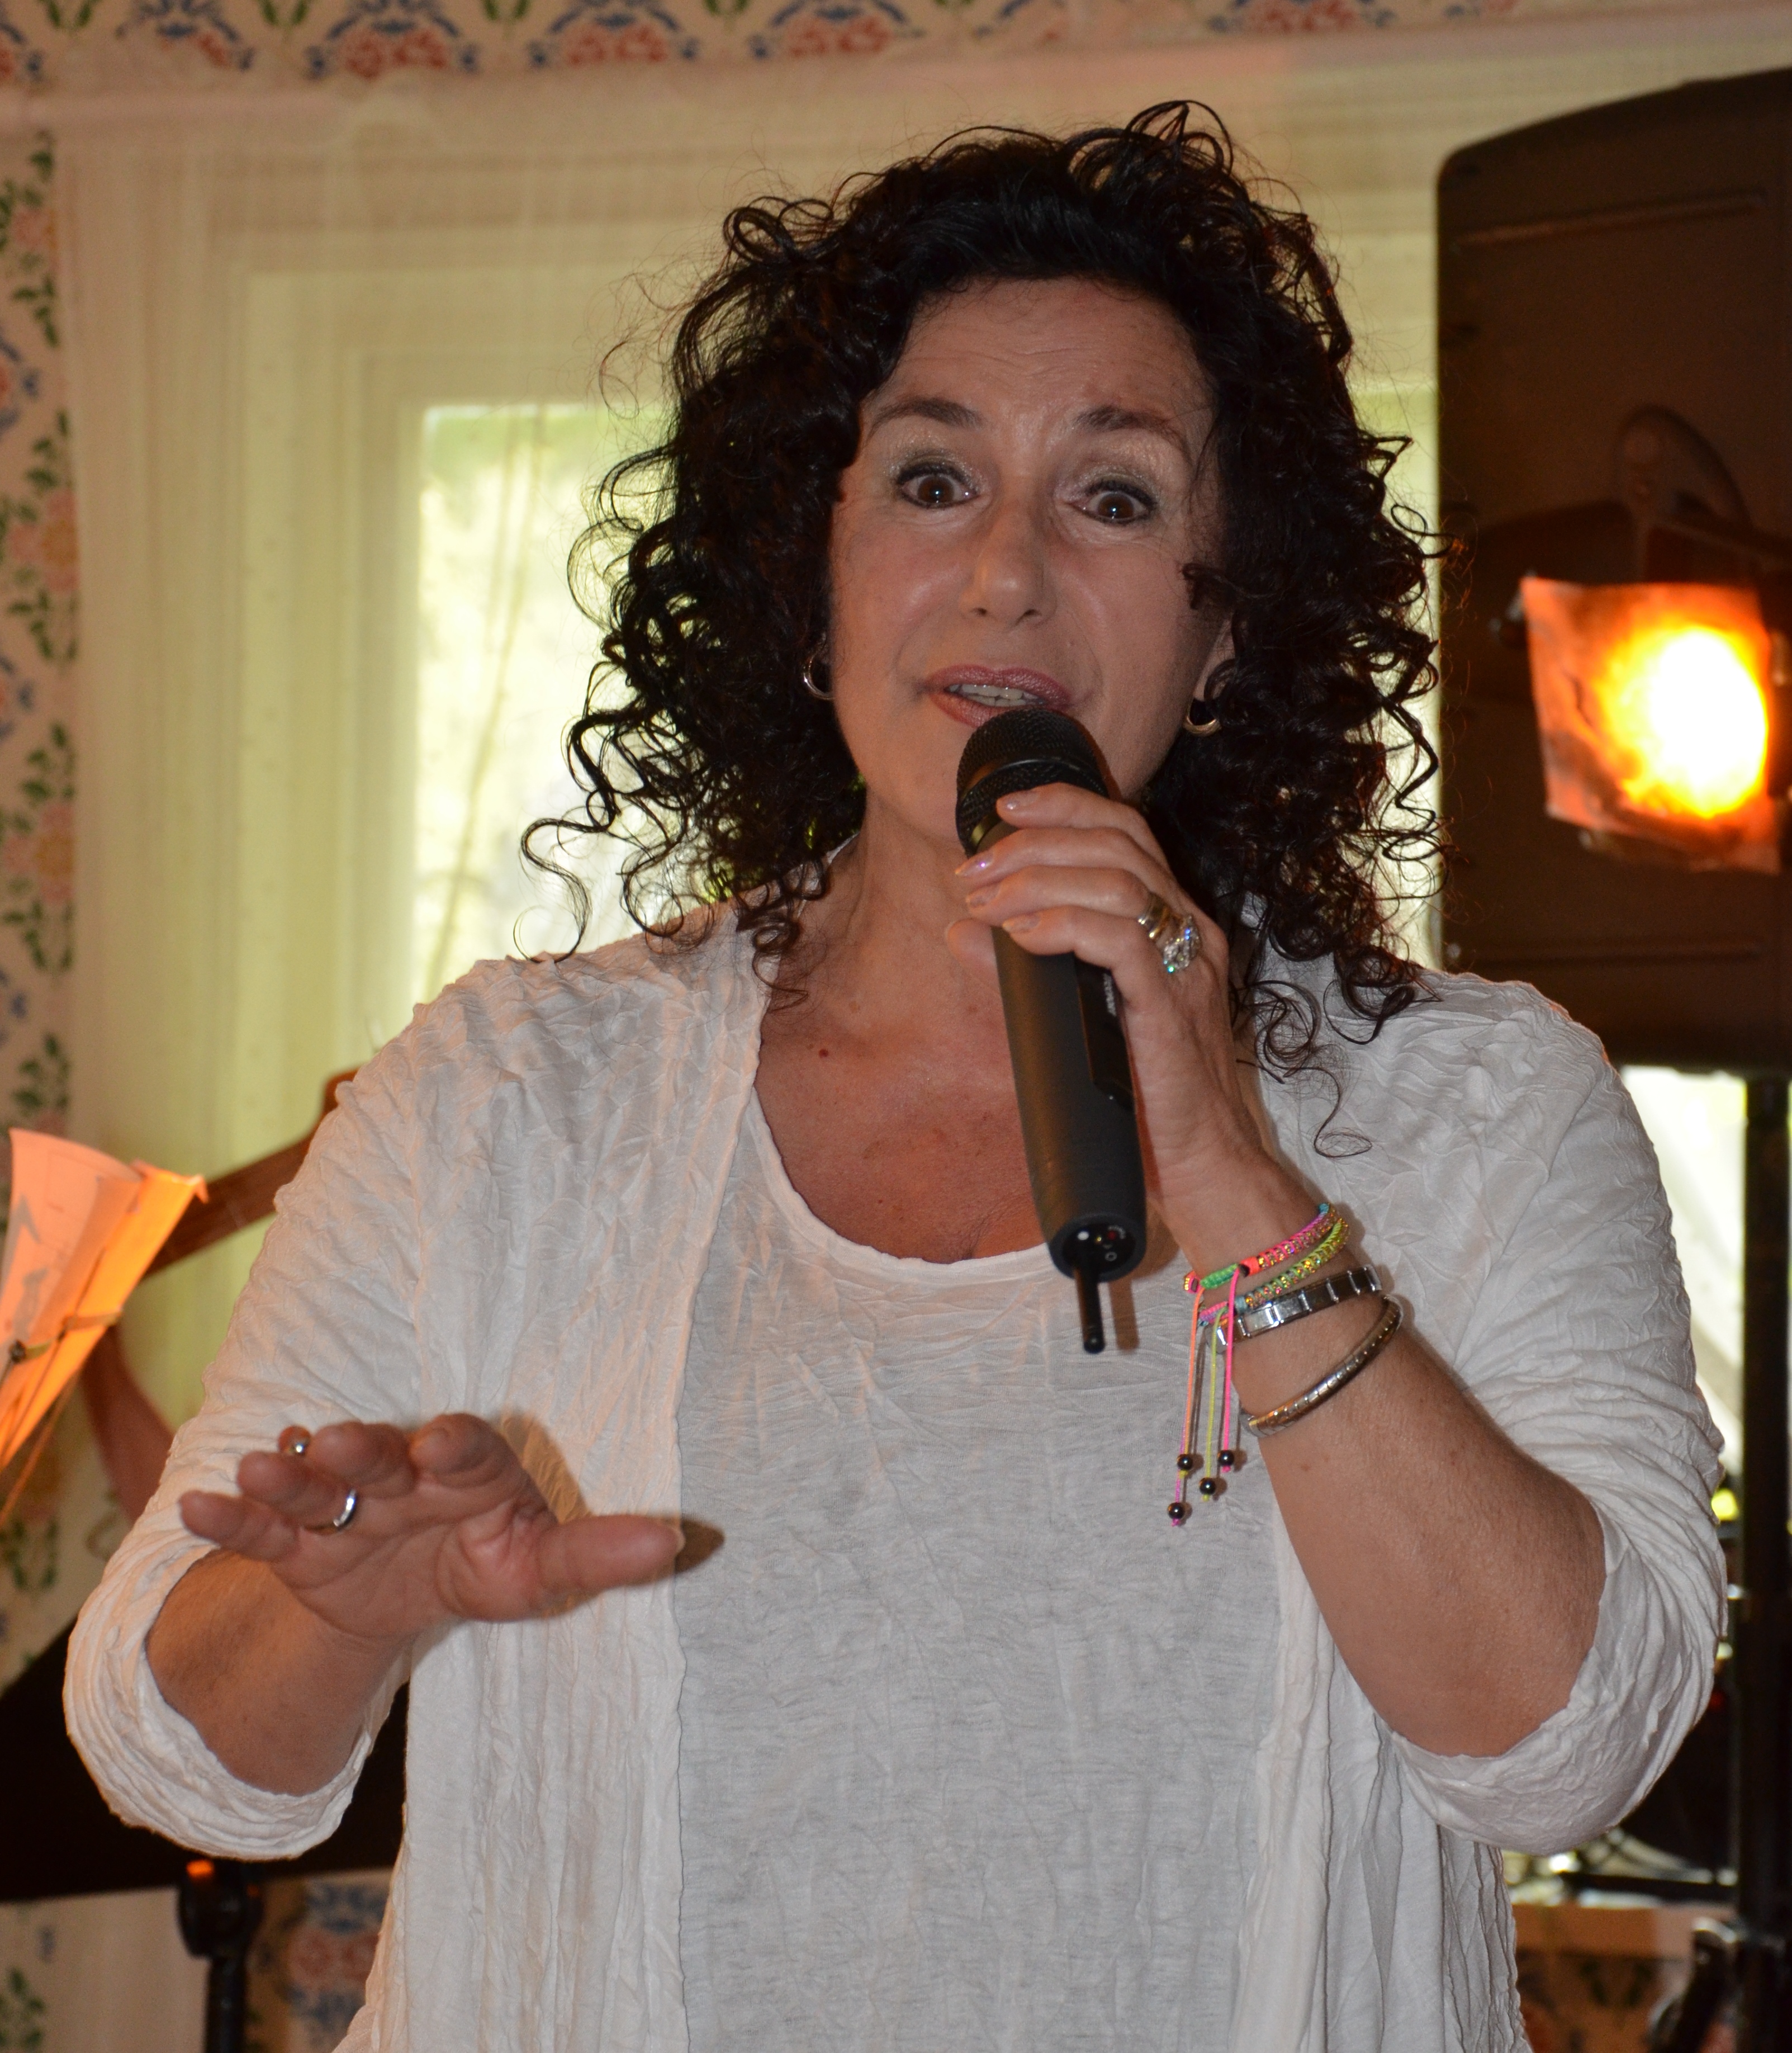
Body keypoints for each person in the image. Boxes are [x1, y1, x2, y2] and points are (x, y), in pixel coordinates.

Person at [68, 105, 1720, 2051]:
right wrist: (342, 1610)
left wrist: (1237, 1176)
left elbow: (1571, 1753)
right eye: (933, 480)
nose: (1007, 572)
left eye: (1114, 497)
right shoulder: (501, 1098)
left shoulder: (1487, 1108)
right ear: (816, 578)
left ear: (1225, 630)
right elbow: (167, 1754)